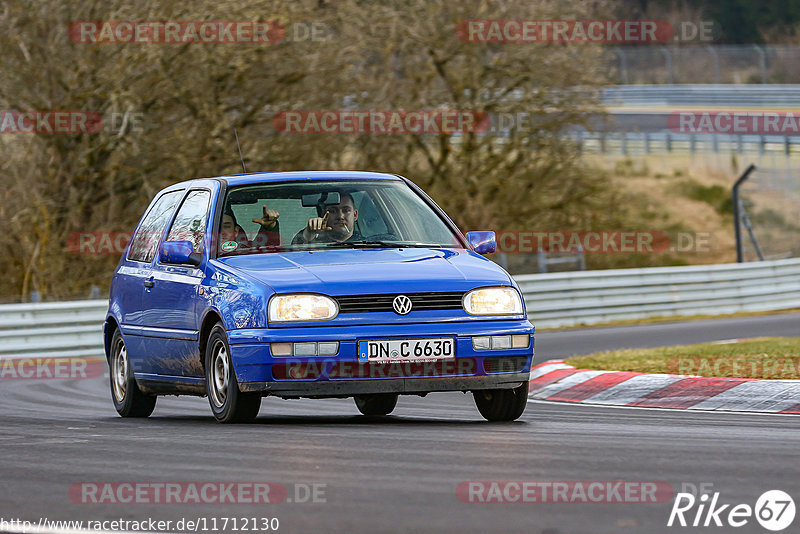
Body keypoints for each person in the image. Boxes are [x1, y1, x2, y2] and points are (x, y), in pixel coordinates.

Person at [291, 192, 361, 245]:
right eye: (333, 211)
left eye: (346, 210)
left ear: (355, 215)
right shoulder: (315, 246)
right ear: (323, 215)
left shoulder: (368, 244)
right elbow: (294, 252)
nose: (340, 216)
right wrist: (308, 233)